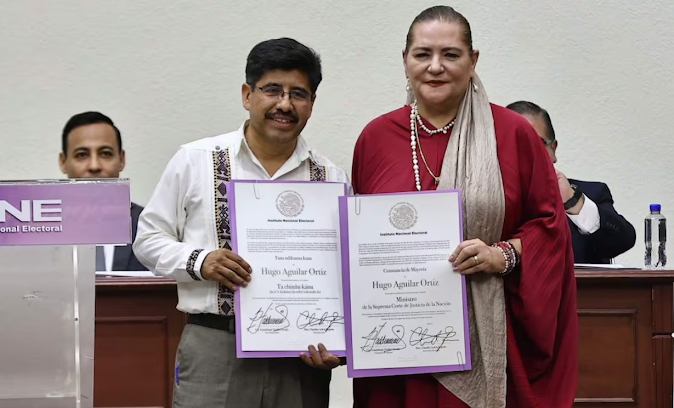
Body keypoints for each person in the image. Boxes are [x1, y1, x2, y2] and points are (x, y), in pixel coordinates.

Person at [350, 6, 577, 408]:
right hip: (397, 349)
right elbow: (360, 245)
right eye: (423, 54)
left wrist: (501, 255)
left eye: (451, 54)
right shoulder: (376, 138)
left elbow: (550, 228)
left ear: (473, 61)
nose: (435, 66)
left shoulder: (513, 134)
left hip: (487, 342)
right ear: (405, 61)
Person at [133, 38, 346, 408]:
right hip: (216, 346)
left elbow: (345, 272)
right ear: (248, 95)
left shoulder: (331, 178)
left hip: (301, 356)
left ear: (312, 104)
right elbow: (148, 239)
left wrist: (340, 347)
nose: (285, 104)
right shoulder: (195, 160)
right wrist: (201, 261)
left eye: (298, 94)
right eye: (272, 90)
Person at [506, 101, 636, 264]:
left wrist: (572, 201)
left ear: (553, 149)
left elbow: (623, 241)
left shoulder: (591, 194)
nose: (526, 153)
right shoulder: (484, 202)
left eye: (536, 143)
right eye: (515, 144)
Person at [59, 111, 147, 271]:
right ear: (63, 162)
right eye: (82, 155)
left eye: (105, 153)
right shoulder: (38, 228)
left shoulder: (150, 225)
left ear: (121, 159)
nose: (94, 166)